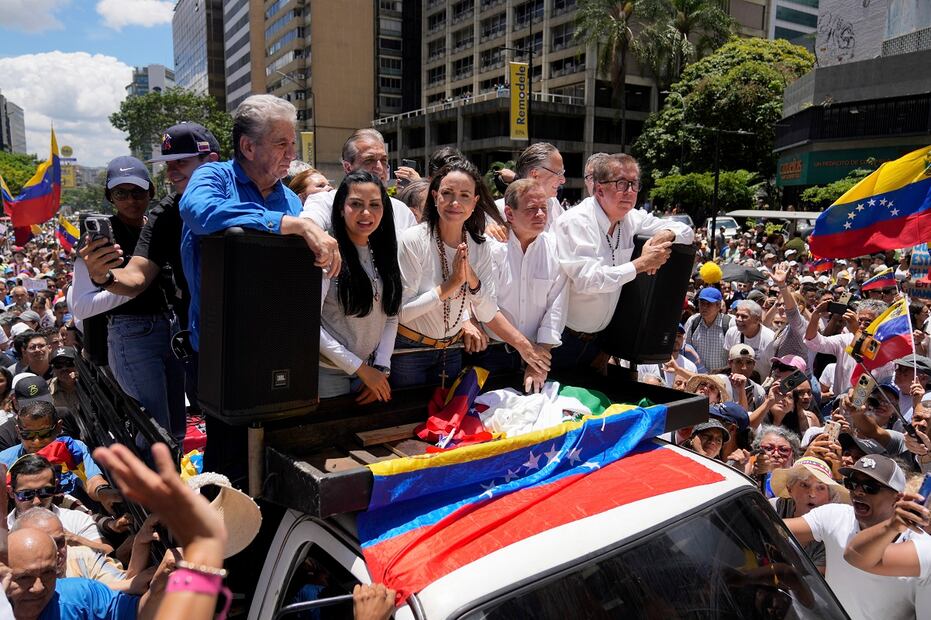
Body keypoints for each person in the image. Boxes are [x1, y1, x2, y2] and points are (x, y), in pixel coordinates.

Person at [179, 95, 339, 486]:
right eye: (281, 143)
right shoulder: (213, 178)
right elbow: (200, 213)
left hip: (272, 345)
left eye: (292, 144)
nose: (291, 154)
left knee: (272, 455)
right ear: (248, 146)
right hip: (221, 350)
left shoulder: (287, 196)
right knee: (227, 461)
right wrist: (287, 224)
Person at [71, 156, 187, 449]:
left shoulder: (160, 225)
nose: (130, 200)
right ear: (110, 197)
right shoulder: (96, 242)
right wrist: (128, 287)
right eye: (121, 193)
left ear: (150, 191)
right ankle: (154, 493)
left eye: (137, 191)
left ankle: (172, 489)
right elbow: (81, 308)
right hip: (132, 335)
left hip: (171, 329)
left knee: (177, 428)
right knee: (154, 432)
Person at [552, 153, 692, 370]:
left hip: (602, 341)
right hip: (563, 340)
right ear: (599, 189)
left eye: (634, 184)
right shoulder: (575, 222)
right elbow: (589, 280)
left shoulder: (631, 218)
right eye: (621, 184)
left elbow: (685, 230)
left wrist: (663, 235)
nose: (630, 192)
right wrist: (641, 264)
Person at [392, 161, 498, 388]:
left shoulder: (480, 246)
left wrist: (471, 279)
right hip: (410, 350)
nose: (455, 203)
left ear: (475, 202)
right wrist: (450, 285)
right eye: (447, 193)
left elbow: (488, 311)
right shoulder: (412, 240)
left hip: (451, 349)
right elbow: (401, 312)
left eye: (464, 195)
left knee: (447, 419)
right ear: (434, 196)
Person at [784, 455, 921, 620]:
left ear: (897, 498)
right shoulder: (834, 515)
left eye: (870, 487)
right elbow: (776, 528)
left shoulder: (920, 547)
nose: (858, 492)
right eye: (852, 484)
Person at [475, 179, 567, 392]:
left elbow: (557, 307)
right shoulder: (490, 249)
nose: (541, 215)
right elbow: (486, 306)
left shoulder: (555, 248)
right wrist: (525, 347)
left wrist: (537, 360)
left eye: (543, 208)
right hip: (492, 354)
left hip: (540, 355)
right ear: (509, 214)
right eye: (531, 209)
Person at [318, 172, 401, 402]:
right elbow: (310, 325)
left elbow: (391, 315)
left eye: (375, 205)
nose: (366, 213)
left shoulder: (384, 254)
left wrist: (381, 368)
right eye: (356, 204)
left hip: (369, 373)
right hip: (327, 375)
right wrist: (361, 370)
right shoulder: (327, 255)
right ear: (340, 208)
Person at [301, 128, 417, 236]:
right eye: (369, 160)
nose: (380, 168)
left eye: (383, 160)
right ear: (348, 167)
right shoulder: (325, 201)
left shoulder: (402, 212)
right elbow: (308, 225)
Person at [769, 456, 849, 572]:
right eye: (804, 485)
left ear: (829, 497)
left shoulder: (832, 533)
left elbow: (810, 579)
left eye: (821, 488)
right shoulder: (774, 508)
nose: (812, 494)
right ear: (790, 489)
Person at [5, 454, 103, 543]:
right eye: (26, 494)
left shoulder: (77, 520)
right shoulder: (3, 531)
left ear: (55, 486)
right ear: (11, 492)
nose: (37, 501)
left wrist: (76, 540)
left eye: (45, 491)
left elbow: (107, 552)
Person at [806, 298, 892, 394]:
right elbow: (813, 342)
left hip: (872, 403)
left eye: (867, 323)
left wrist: (856, 331)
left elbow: (873, 356)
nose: (862, 326)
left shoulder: (887, 343)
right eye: (859, 322)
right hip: (841, 403)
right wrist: (815, 316)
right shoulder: (846, 339)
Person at [493, 143, 566, 230]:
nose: (563, 180)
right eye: (558, 173)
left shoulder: (553, 204)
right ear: (535, 175)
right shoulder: (497, 212)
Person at [683, 287, 733, 372]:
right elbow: (686, 347)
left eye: (709, 304)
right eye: (702, 303)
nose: (704, 307)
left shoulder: (729, 324)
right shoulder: (693, 321)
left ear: (718, 306)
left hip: (721, 378)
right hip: (697, 377)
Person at [724, 300, 775, 377]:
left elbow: (774, 370)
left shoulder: (770, 339)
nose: (739, 319)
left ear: (757, 320)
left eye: (744, 316)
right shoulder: (731, 333)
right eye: (737, 315)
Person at [48, 346, 79, 412]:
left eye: (69, 363)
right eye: (58, 365)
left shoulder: (88, 385)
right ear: (53, 369)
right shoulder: (47, 389)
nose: (64, 368)